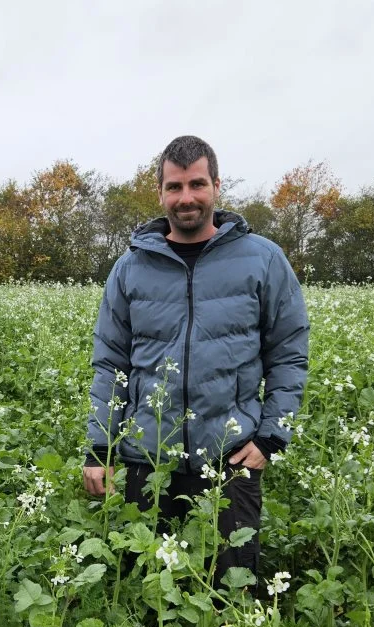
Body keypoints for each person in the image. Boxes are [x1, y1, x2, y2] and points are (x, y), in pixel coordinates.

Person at [83, 135, 309, 592]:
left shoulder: (263, 260)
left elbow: (288, 353)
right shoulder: (130, 267)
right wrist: (98, 447)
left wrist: (271, 437)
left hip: (231, 459)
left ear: (217, 186)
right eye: (175, 187)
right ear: (160, 192)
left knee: (232, 592)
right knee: (149, 598)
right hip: (148, 459)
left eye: (197, 184)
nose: (186, 198)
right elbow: (111, 363)